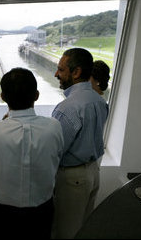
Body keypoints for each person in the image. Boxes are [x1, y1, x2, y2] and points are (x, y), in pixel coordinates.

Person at [0, 68, 64, 239]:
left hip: (0, 208)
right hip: (41, 207)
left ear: (2, 97)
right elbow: (58, 152)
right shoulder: (53, 126)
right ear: (36, 95)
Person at [51, 48, 109, 239]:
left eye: (61, 69)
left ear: (76, 72)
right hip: (93, 172)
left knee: (66, 232)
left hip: (72, 179)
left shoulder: (67, 108)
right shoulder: (98, 100)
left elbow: (56, 150)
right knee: (83, 227)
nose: (56, 74)